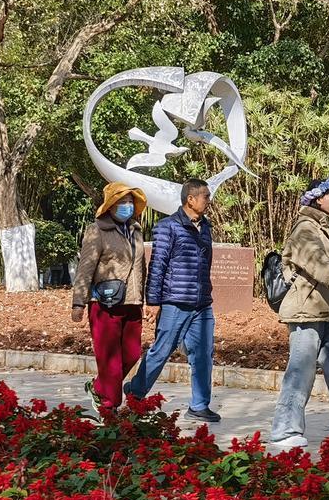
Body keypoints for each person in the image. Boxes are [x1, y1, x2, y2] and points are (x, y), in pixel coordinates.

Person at [268, 177, 329, 449]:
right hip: (306, 314)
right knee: (301, 370)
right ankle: (285, 429)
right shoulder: (305, 230)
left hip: (326, 313)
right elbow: (326, 271)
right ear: (318, 198)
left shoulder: (321, 228)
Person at [124, 179, 220, 422]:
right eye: (205, 197)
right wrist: (153, 301)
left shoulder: (206, 227)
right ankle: (135, 394)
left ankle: (199, 405)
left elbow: (205, 264)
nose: (209, 201)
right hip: (175, 302)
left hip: (201, 303)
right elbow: (157, 265)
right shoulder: (168, 227)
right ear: (191, 199)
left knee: (203, 354)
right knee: (161, 350)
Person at [72, 182, 149, 415]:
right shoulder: (96, 230)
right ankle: (109, 407)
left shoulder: (135, 230)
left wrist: (144, 300)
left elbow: (140, 268)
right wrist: (78, 302)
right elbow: (85, 268)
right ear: (110, 206)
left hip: (132, 303)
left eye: (129, 202)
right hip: (104, 304)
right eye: (121, 202)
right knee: (111, 361)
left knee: (133, 353)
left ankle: (97, 386)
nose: (126, 206)